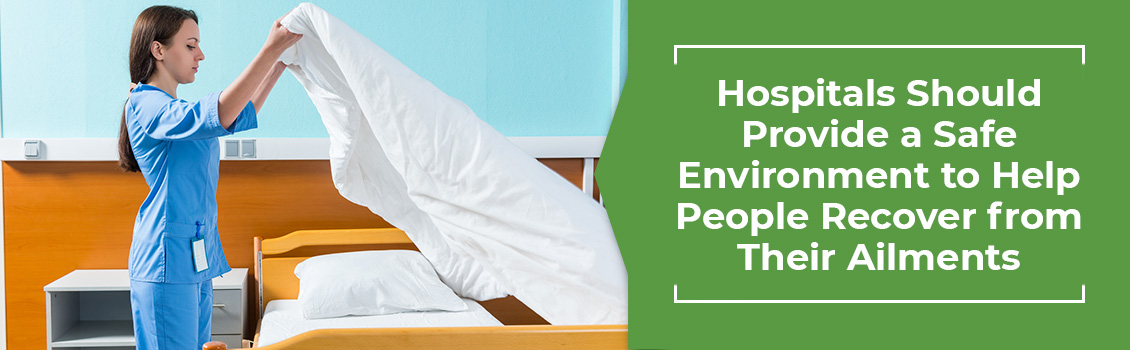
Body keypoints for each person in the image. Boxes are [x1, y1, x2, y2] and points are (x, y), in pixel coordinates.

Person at [117, 5, 301, 350]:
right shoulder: (145, 103)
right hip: (165, 262)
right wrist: (270, 50)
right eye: (190, 45)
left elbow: (233, 115)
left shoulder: (175, 110)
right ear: (158, 50)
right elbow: (217, 113)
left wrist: (279, 65)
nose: (200, 54)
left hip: (193, 260)